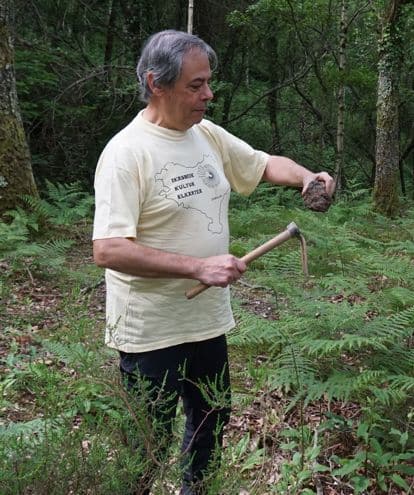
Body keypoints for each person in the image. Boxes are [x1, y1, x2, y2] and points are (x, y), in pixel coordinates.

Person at [92, 30, 335, 495]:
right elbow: (108, 249)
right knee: (146, 442)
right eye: (196, 85)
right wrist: (197, 267)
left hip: (206, 323)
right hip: (151, 332)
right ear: (155, 83)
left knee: (210, 422)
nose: (209, 94)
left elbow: (263, 164)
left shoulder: (205, 134)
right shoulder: (126, 153)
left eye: (208, 83)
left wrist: (307, 178)